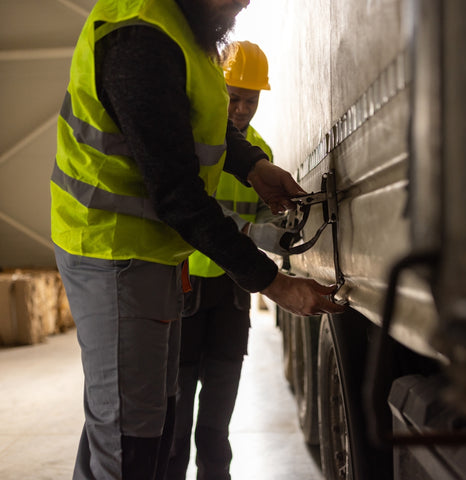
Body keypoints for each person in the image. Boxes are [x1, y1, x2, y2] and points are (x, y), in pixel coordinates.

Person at [50, 1, 344, 479]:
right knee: (130, 446)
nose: (245, 1)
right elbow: (177, 193)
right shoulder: (141, 37)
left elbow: (196, 126)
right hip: (113, 251)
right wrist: (275, 284)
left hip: (153, 255)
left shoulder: (187, 32)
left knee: (144, 423)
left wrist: (253, 165)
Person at [166, 40, 281, 480]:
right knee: (175, 429)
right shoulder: (192, 143)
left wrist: (280, 227)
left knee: (215, 429)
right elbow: (190, 208)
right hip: (186, 290)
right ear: (218, 89)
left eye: (250, 100)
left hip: (233, 294)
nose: (241, 110)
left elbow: (264, 214)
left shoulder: (259, 153)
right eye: (234, 98)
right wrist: (247, 231)